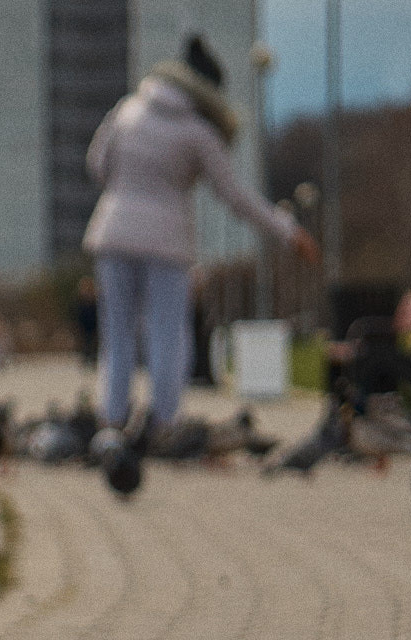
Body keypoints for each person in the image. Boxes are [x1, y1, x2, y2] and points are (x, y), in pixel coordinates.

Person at [84, 34, 318, 445]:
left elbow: (97, 165)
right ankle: (163, 424)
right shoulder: (198, 132)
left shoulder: (126, 111)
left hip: (113, 233)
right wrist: (287, 230)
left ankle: (112, 423)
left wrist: (128, 190)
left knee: (117, 333)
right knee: (167, 334)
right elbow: (236, 196)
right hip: (166, 242)